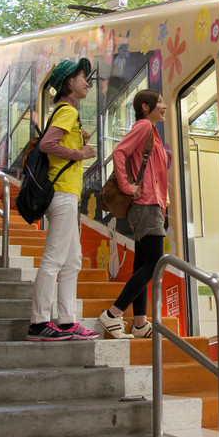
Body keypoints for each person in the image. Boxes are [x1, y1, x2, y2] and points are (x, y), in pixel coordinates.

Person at [26, 57, 101, 342]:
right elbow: (47, 144)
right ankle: (38, 322)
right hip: (62, 195)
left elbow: (54, 140)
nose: (87, 82)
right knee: (54, 260)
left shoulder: (66, 112)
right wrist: (80, 153)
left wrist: (76, 142)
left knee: (72, 262)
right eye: (83, 77)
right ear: (69, 81)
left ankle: (67, 321)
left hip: (66, 194)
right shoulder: (67, 111)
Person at [98, 90, 169, 339]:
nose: (165, 106)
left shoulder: (153, 131)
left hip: (152, 205)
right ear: (146, 106)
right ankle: (112, 314)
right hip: (145, 205)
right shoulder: (144, 127)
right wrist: (128, 187)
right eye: (160, 102)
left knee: (143, 262)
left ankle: (139, 324)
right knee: (154, 263)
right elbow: (119, 152)